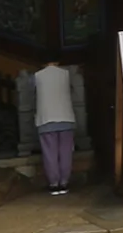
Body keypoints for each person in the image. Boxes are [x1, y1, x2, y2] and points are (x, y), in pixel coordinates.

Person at [26, 58, 83, 195]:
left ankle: (54, 184)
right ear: (57, 61)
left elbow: (29, 93)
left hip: (46, 119)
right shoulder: (66, 74)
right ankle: (64, 182)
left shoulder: (36, 76)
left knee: (50, 153)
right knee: (65, 152)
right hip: (66, 117)